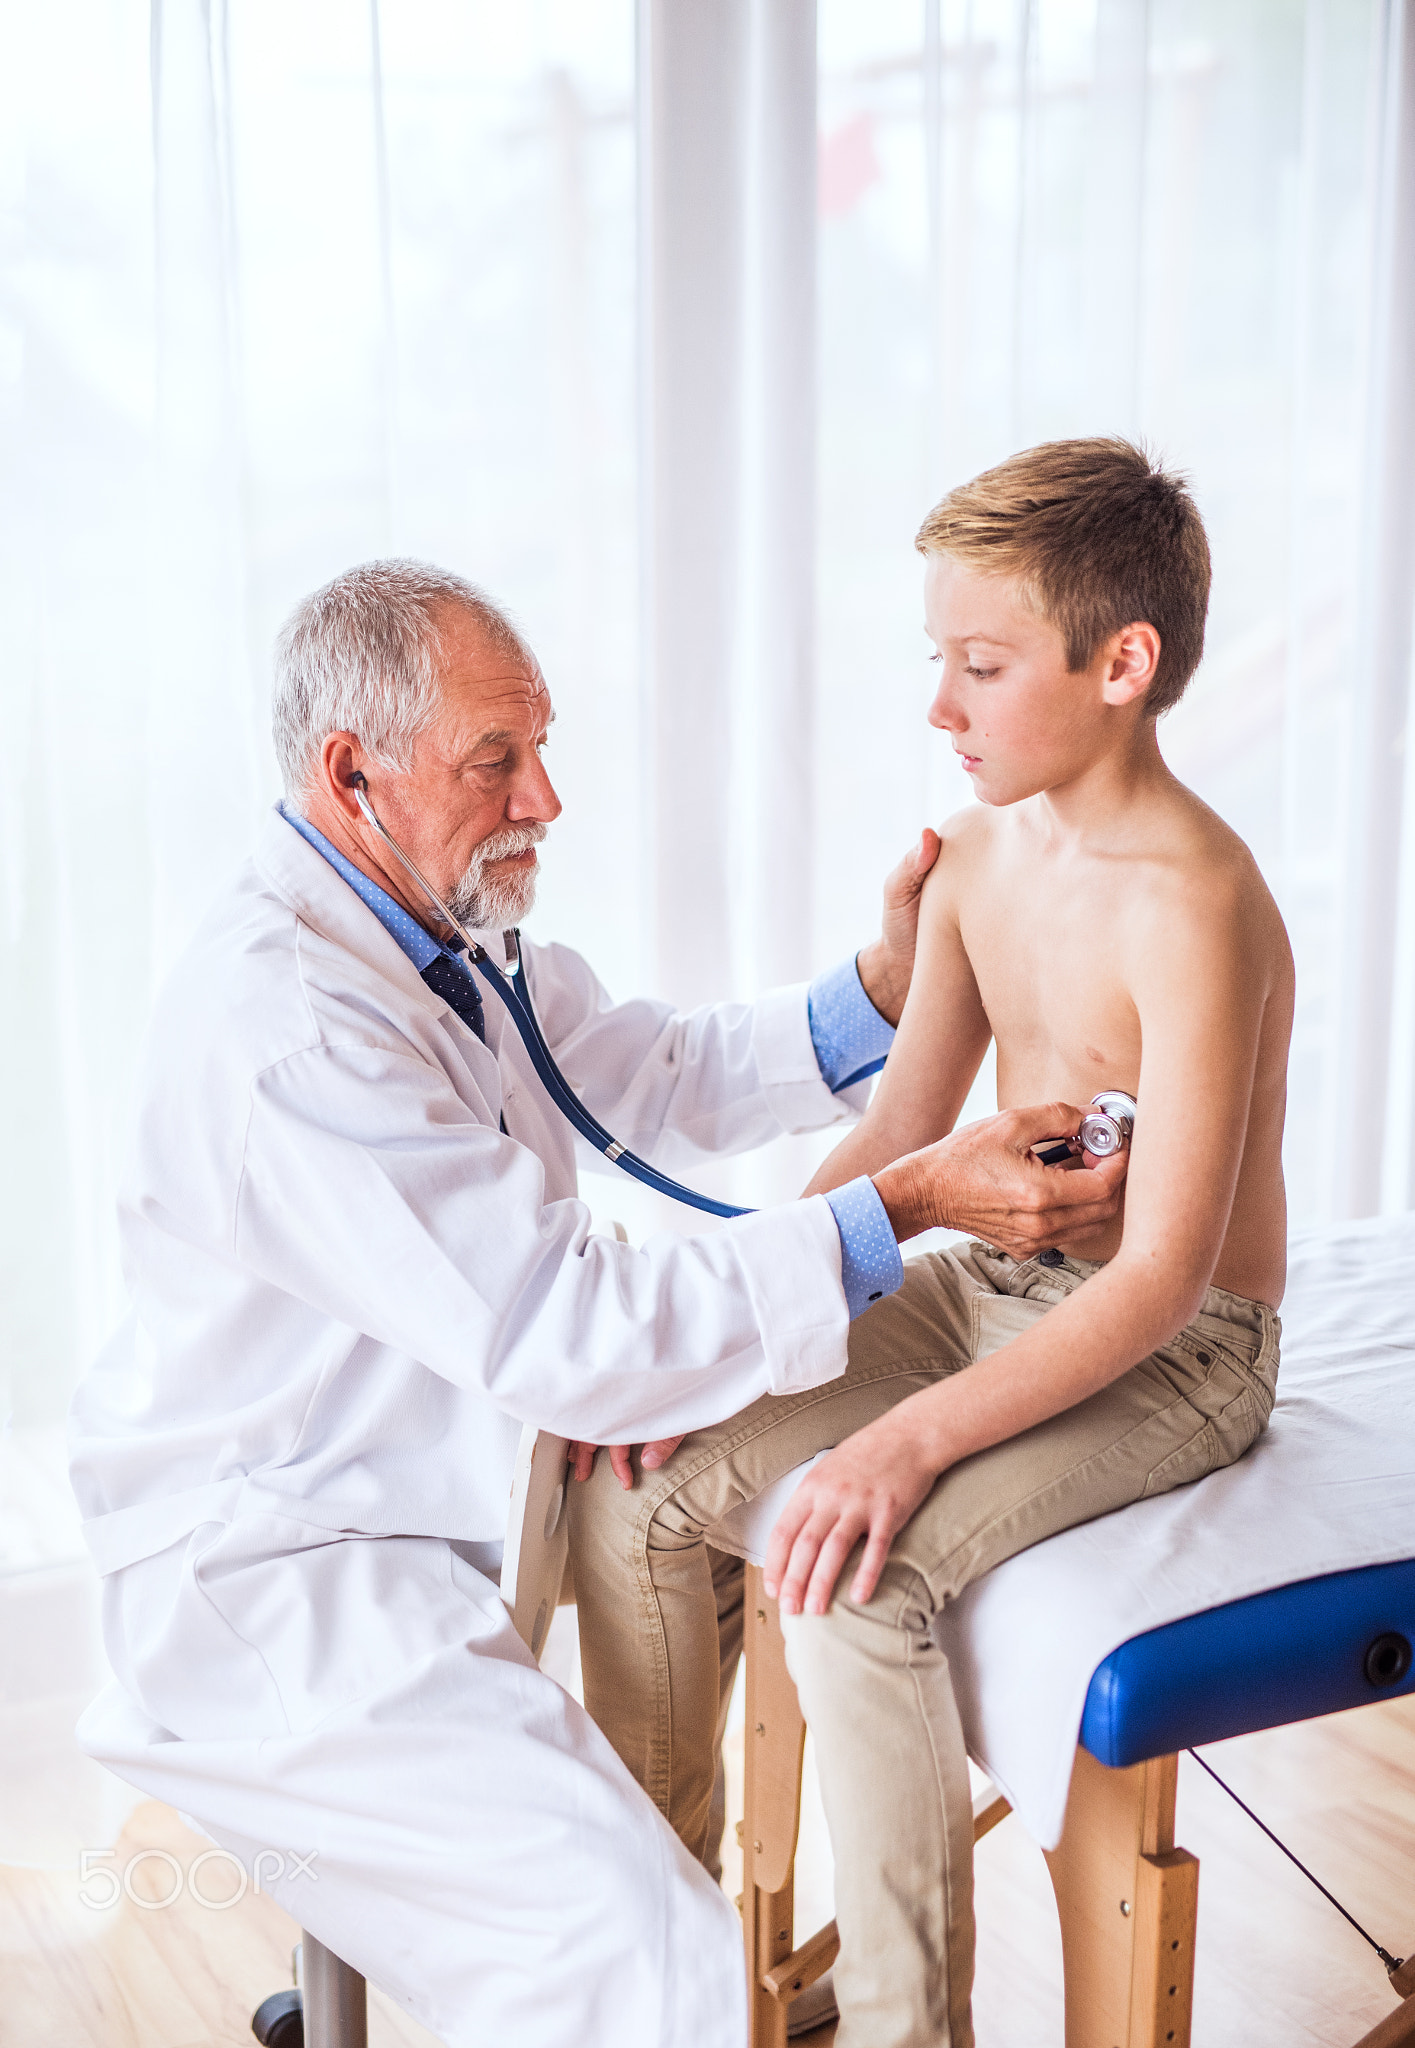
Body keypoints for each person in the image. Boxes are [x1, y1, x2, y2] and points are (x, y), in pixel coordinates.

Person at [67, 559, 1128, 2048]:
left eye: (543, 746)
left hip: (407, 1505)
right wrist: (910, 1201)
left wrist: (883, 987)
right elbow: (562, 1328)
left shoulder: (435, 933)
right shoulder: (289, 1025)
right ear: (349, 770)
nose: (545, 799)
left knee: (631, 1865)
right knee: (658, 1977)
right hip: (284, 1583)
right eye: (495, 761)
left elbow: (648, 1068)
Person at [569, 437, 1294, 2048]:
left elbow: (1169, 1277)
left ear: (1124, 664)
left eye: (979, 665)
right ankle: (671, 1977)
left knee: (845, 1577)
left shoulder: (1199, 906)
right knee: (634, 1483)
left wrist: (896, 1448)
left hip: (1171, 1349)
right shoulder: (974, 859)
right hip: (995, 1288)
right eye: (936, 663)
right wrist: (726, 1336)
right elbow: (901, 1145)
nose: (940, 708)